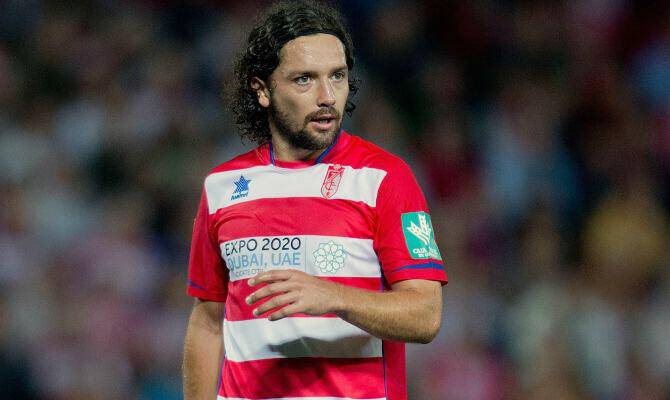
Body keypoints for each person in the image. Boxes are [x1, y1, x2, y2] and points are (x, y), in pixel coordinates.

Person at [182, 1, 447, 399]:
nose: (327, 96)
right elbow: (207, 319)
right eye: (304, 79)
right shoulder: (223, 186)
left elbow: (426, 315)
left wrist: (333, 296)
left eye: (337, 77)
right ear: (262, 90)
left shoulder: (385, 178)